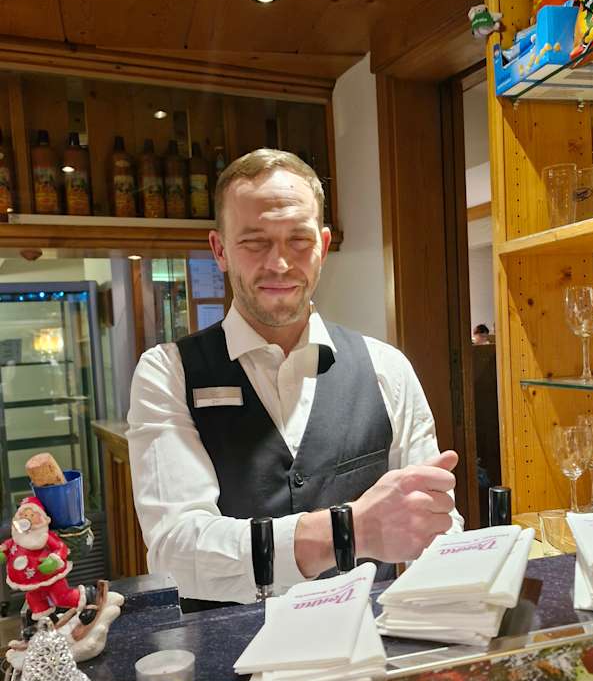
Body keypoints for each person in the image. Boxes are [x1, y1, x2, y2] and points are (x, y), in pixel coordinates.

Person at [127, 149, 462, 607]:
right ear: (220, 250)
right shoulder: (167, 373)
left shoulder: (387, 367)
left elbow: (436, 526)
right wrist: (347, 530)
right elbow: (176, 552)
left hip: (367, 638)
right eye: (255, 242)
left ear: (322, 245)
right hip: (231, 647)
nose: (280, 264)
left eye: (299, 240)